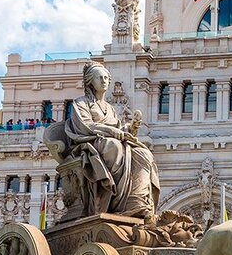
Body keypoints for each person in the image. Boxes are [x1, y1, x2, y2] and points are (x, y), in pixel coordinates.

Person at [45, 62, 160, 220]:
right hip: (89, 143)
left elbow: (120, 128)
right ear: (90, 81)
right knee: (115, 147)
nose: (104, 81)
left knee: (143, 153)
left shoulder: (110, 108)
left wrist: (131, 128)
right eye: (100, 77)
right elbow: (85, 126)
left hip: (111, 142)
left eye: (106, 77)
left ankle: (135, 200)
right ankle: (116, 202)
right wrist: (113, 132)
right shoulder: (81, 103)